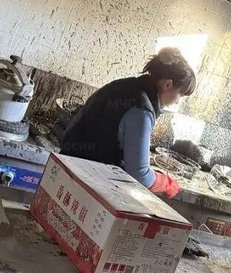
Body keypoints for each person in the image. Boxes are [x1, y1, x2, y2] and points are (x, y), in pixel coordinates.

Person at [60, 48, 196, 198]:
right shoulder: (142, 110)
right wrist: (165, 183)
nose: (177, 101)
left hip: (64, 167)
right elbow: (139, 174)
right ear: (168, 84)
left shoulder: (124, 85)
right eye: (180, 94)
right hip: (84, 184)